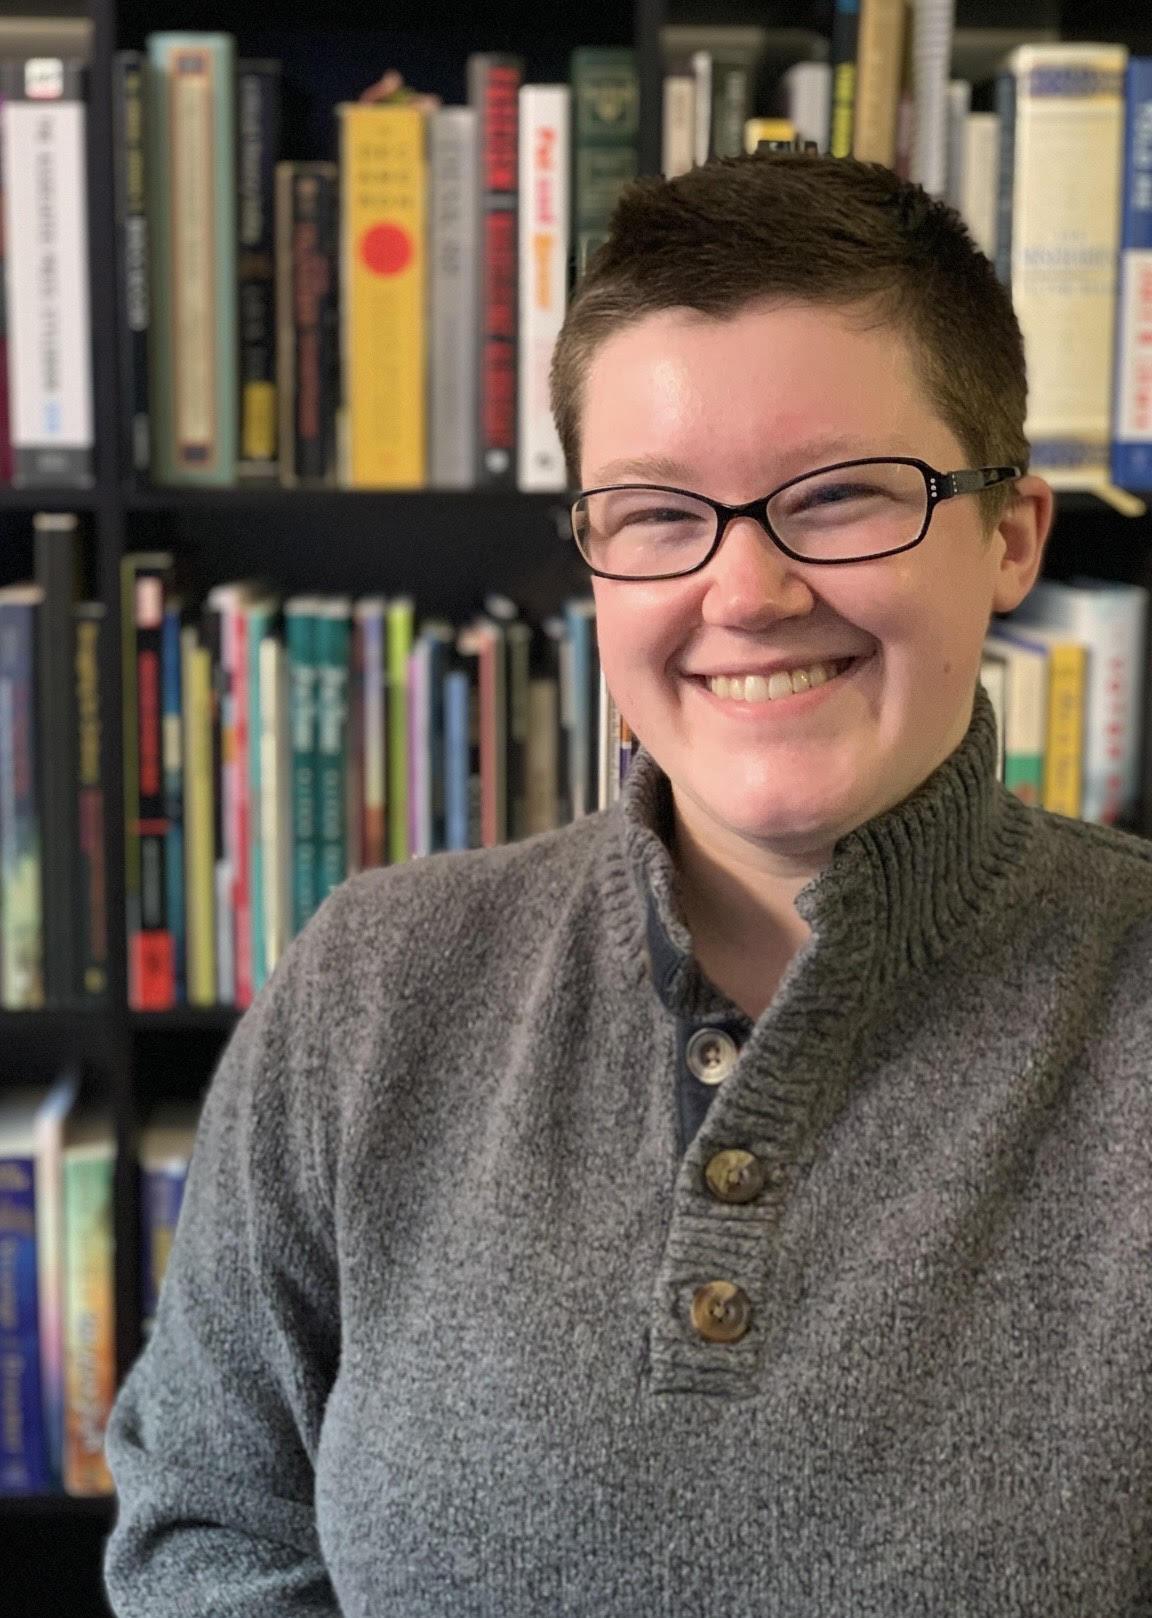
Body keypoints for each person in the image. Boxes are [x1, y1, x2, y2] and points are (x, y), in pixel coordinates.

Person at [103, 152, 1152, 1617]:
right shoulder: (374, 982)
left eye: (842, 494)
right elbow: (205, 1520)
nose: (746, 590)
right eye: (658, 513)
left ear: (1011, 537)